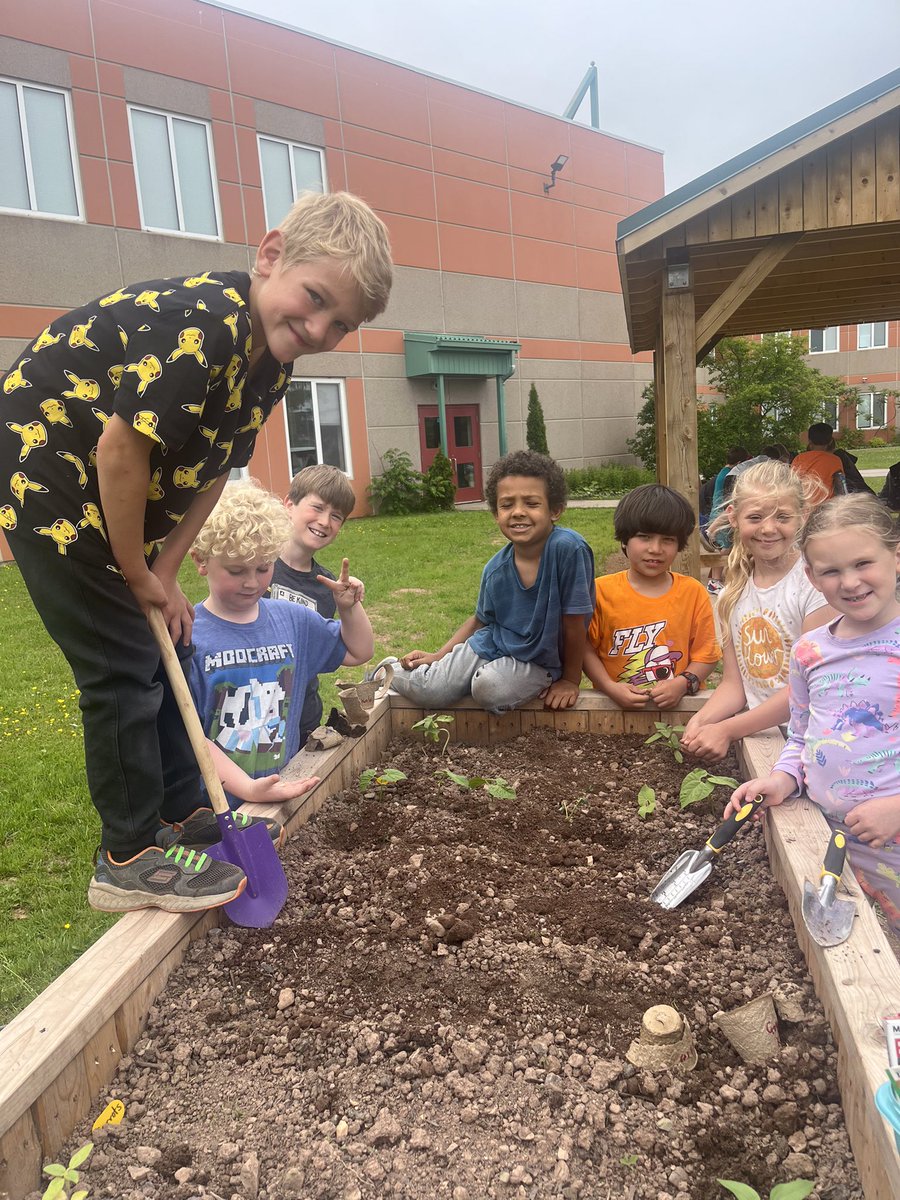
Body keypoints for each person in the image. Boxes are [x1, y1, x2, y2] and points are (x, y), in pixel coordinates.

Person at [0, 190, 392, 913]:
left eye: (340, 324)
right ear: (270, 256)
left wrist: (168, 572)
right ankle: (127, 855)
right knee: (121, 664)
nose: (316, 327)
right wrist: (133, 571)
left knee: (172, 642)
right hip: (54, 482)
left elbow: (214, 470)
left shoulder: (269, 364)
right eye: (312, 299)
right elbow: (121, 450)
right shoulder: (203, 323)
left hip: (123, 499)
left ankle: (183, 810)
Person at [728, 494, 900, 932]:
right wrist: (784, 778)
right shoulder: (811, 650)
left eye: (863, 563)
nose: (850, 581)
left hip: (893, 838)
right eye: (831, 571)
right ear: (811, 577)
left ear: (896, 555)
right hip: (832, 836)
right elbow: (803, 735)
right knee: (868, 942)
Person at [189, 480, 374, 805]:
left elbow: (360, 651)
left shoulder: (294, 620)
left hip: (283, 788)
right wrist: (246, 788)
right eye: (236, 570)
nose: (251, 582)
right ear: (201, 560)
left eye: (263, 568)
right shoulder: (189, 634)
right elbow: (189, 734)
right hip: (215, 809)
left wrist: (349, 608)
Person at [389, 450, 595, 713]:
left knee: (489, 688)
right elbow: (479, 620)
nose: (518, 512)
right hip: (490, 645)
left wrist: (569, 679)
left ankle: (478, 677)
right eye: (507, 505)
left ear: (555, 510)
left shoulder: (568, 550)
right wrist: (438, 656)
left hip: (539, 662)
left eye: (531, 503)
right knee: (434, 690)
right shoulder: (495, 569)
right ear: (496, 514)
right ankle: (385, 671)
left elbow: (575, 624)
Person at [680, 460, 835, 762]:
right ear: (733, 517)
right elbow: (733, 686)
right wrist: (701, 721)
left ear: (803, 516)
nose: (768, 528)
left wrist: (728, 729)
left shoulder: (815, 587)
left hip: (818, 743)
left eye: (782, 517)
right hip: (767, 736)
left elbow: (807, 690)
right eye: (755, 517)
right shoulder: (732, 594)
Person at [583, 484, 720, 710]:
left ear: (679, 544)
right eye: (644, 537)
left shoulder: (693, 593)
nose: (655, 549)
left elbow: (707, 655)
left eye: (667, 539)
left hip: (681, 712)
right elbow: (585, 649)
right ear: (625, 539)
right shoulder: (600, 592)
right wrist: (608, 686)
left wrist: (683, 683)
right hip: (613, 713)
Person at [267, 464, 359, 744]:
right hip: (256, 712)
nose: (324, 521)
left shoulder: (326, 587)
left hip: (302, 718)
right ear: (289, 505)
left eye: (336, 516)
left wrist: (350, 605)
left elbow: (328, 650)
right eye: (317, 507)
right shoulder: (257, 566)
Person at [706, 446, 750, 594]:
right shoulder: (729, 475)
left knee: (724, 547)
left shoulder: (723, 472)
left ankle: (714, 578)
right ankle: (714, 581)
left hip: (718, 512)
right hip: (722, 514)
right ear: (738, 462)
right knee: (725, 548)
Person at [790, 423, 846, 501]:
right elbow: (841, 488)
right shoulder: (835, 460)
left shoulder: (799, 458)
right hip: (826, 507)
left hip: (803, 505)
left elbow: (793, 483)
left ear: (809, 440)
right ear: (830, 441)